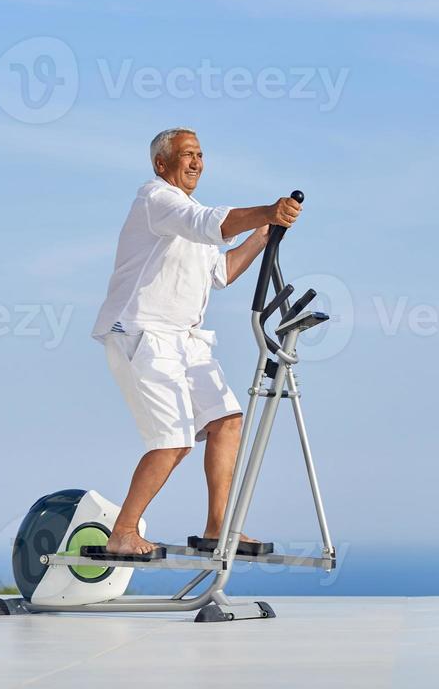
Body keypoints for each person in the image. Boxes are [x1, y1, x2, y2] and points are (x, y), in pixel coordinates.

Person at [92, 127, 302, 557]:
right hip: (141, 335)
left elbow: (221, 272)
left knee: (228, 421)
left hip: (185, 340)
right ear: (162, 164)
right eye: (187, 154)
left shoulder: (189, 211)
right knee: (173, 441)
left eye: (200, 155)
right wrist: (266, 209)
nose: (196, 162)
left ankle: (217, 528)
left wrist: (263, 233)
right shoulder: (156, 199)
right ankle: (123, 533)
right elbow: (209, 223)